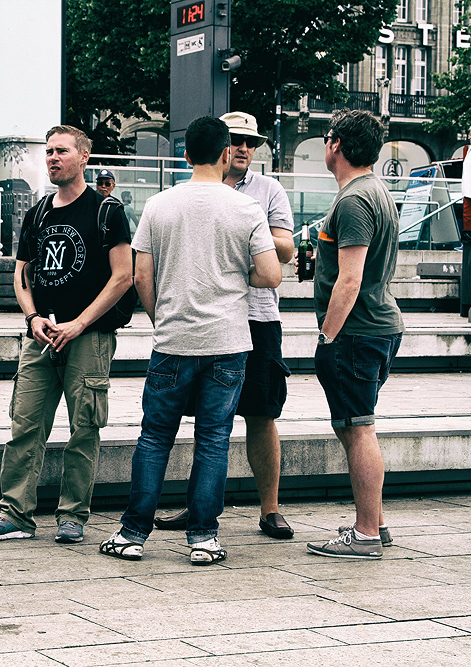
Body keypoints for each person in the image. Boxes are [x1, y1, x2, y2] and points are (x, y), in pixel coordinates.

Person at [100, 116, 281, 566]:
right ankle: (203, 537)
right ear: (225, 154)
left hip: (173, 339)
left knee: (155, 437)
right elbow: (271, 274)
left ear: (185, 155)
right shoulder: (246, 209)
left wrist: (162, 314)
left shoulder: (160, 205)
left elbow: (141, 274)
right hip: (228, 341)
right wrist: (238, 275)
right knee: (214, 438)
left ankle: (132, 534)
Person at [0, 125, 132, 544]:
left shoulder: (107, 212)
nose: (52, 158)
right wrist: (31, 318)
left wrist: (80, 322)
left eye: (61, 151)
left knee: (84, 428)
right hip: (40, 337)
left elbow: (123, 277)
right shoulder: (39, 212)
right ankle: (15, 515)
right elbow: (23, 275)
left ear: (84, 156)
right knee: (24, 424)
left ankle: (72, 515)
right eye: (48, 152)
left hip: (89, 338)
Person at [153, 112, 296, 540]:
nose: (244, 148)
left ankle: (270, 508)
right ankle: (197, 508)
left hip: (258, 319)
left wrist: (246, 242)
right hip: (206, 319)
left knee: (262, 413)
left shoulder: (268, 190)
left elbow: (285, 248)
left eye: (251, 143)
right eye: (235, 140)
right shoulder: (193, 192)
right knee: (205, 422)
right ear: (220, 145)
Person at [306, 109, 404, 560]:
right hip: (377, 326)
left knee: (358, 428)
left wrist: (327, 337)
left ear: (337, 145)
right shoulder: (377, 192)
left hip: (356, 332)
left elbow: (350, 279)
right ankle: (376, 523)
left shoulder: (353, 201)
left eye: (328, 138)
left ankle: (364, 535)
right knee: (353, 426)